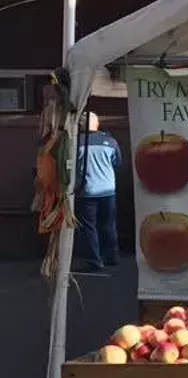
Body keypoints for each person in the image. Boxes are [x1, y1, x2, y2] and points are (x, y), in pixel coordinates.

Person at [74, 112, 121, 273]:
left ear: (80, 126)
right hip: (108, 190)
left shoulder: (77, 143)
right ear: (97, 124)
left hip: (86, 191)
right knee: (109, 224)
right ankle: (112, 256)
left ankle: (94, 260)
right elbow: (117, 163)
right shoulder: (111, 141)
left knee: (89, 227)